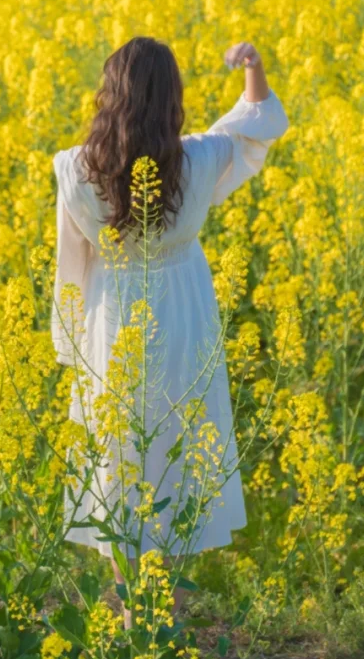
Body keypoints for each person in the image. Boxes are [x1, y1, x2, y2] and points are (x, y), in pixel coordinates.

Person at [50, 35, 289, 578]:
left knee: (118, 453)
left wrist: (69, 344)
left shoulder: (75, 169)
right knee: (180, 447)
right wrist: (254, 65)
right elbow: (257, 124)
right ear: (172, 100)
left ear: (109, 96)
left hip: (112, 318)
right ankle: (169, 614)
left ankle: (133, 612)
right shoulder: (197, 159)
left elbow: (71, 265)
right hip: (184, 313)